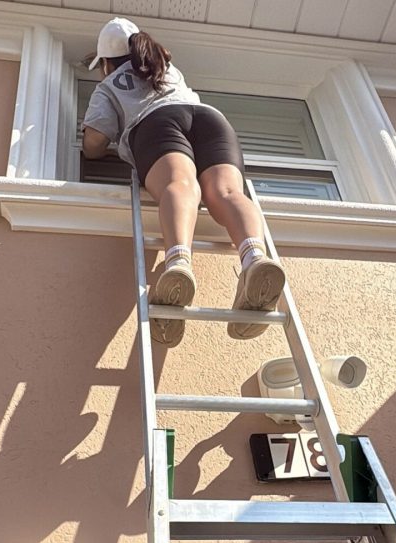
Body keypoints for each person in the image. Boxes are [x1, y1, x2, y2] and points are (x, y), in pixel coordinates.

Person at [82, 17, 285, 347]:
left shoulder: (107, 86)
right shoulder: (166, 67)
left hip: (157, 125)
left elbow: (94, 140)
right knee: (227, 192)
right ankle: (255, 259)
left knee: (180, 185)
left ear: (106, 62)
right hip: (210, 119)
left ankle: (178, 261)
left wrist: (91, 148)